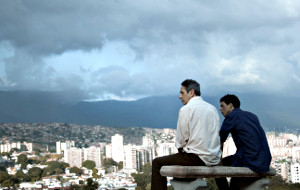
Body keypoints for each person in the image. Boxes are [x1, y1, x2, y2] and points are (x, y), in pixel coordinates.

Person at [151, 79, 221, 190]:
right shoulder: (212, 109)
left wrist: (181, 148)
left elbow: (181, 140)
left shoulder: (186, 109)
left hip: (197, 158)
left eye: (182, 93)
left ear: (191, 92)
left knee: (156, 163)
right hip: (214, 159)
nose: (179, 96)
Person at [215, 94, 272, 190]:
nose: (220, 109)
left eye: (222, 106)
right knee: (235, 180)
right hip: (264, 160)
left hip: (249, 159)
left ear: (231, 105)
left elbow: (220, 139)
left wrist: (218, 158)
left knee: (215, 167)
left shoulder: (231, 116)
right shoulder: (252, 116)